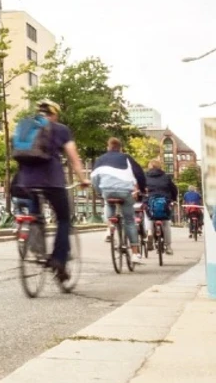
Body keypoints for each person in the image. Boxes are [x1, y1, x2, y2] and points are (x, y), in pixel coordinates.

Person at [14, 101, 88, 280]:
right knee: (63, 219)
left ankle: (37, 250)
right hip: (52, 181)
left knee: (35, 216)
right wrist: (82, 178)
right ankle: (58, 260)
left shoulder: (24, 126)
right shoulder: (60, 129)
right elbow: (73, 157)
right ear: (54, 114)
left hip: (27, 181)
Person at [90, 137, 147, 258]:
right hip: (125, 191)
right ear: (120, 148)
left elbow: (94, 178)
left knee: (108, 202)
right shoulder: (126, 158)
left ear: (108, 147)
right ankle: (135, 254)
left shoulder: (100, 159)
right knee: (129, 221)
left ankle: (110, 226)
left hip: (107, 191)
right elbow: (139, 174)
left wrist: (99, 191)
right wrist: (141, 189)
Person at [142, 158, 179, 255]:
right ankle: (168, 247)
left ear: (149, 166)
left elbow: (141, 189)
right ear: (160, 167)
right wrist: (173, 199)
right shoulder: (166, 177)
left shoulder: (145, 177)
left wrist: (143, 199)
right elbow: (174, 189)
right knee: (166, 224)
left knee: (148, 217)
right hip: (164, 202)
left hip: (150, 201)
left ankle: (149, 232)